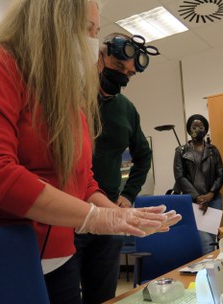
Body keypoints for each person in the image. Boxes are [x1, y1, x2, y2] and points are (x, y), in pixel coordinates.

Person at [0, 1, 181, 303]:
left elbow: (83, 182)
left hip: (61, 256)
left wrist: (120, 214)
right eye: (87, 30)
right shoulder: (5, 65)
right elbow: (2, 173)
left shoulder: (70, 99)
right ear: (49, 22)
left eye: (96, 32)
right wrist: (94, 218)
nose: (92, 44)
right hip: (13, 258)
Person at [74, 31, 159, 304]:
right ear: (100, 55)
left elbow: (143, 156)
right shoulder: (71, 97)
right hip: (70, 211)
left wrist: (128, 195)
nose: (123, 76)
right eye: (118, 67)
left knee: (103, 294)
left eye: (129, 74)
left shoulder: (126, 109)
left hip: (110, 213)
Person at [173, 114, 223, 254]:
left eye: (201, 127)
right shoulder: (181, 151)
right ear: (189, 130)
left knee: (212, 239)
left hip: (213, 199)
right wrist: (198, 197)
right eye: (194, 127)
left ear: (206, 129)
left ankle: (212, 268)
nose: (198, 130)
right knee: (203, 240)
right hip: (192, 201)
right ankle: (207, 270)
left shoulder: (213, 150)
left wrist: (210, 194)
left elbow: (221, 175)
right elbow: (180, 177)